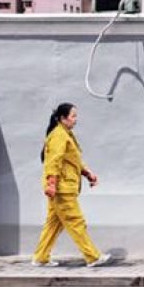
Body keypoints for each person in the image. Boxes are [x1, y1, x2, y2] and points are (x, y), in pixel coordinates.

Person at [32, 103, 113, 267]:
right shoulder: (59, 136)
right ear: (62, 118)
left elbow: (73, 161)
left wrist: (87, 173)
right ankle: (92, 256)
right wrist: (52, 183)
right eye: (73, 116)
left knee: (54, 223)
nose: (76, 120)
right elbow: (53, 162)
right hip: (62, 189)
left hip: (65, 187)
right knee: (76, 222)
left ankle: (41, 257)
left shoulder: (66, 134)